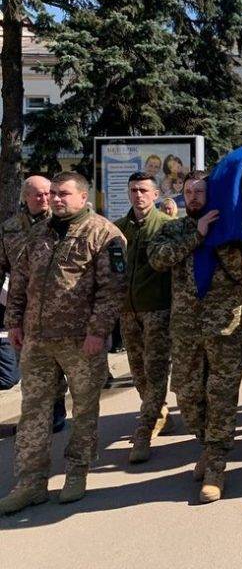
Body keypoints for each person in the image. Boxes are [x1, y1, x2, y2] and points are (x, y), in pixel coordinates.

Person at [0, 171, 126, 513]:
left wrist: (98, 332)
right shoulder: (39, 233)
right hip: (37, 341)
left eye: (63, 194)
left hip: (80, 342)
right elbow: (20, 280)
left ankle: (76, 473)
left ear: (82, 198)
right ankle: (30, 483)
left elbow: (111, 292)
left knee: (84, 411)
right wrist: (14, 322)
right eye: (53, 193)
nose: (55, 199)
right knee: (34, 412)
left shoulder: (104, 234)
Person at [148, 171, 242, 503]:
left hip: (224, 327)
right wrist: (197, 233)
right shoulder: (174, 228)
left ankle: (217, 468)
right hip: (187, 328)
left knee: (221, 396)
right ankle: (209, 446)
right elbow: (158, 260)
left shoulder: (233, 230)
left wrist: (218, 238)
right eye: (188, 191)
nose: (193, 196)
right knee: (189, 398)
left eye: (199, 191)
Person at [113, 172, 175, 464]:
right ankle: (158, 411)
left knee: (156, 369)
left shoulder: (166, 226)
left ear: (155, 195)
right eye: (133, 190)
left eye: (143, 190)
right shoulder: (119, 228)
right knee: (138, 371)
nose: (137, 195)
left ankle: (144, 429)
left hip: (158, 310)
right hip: (128, 311)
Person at [0, 176, 67, 434]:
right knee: (29, 364)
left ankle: (56, 411)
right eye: (38, 194)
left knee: (56, 361)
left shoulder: (60, 223)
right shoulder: (10, 228)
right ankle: (36, 416)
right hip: (23, 306)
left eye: (48, 193)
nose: (44, 198)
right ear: (26, 197)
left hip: (59, 306)